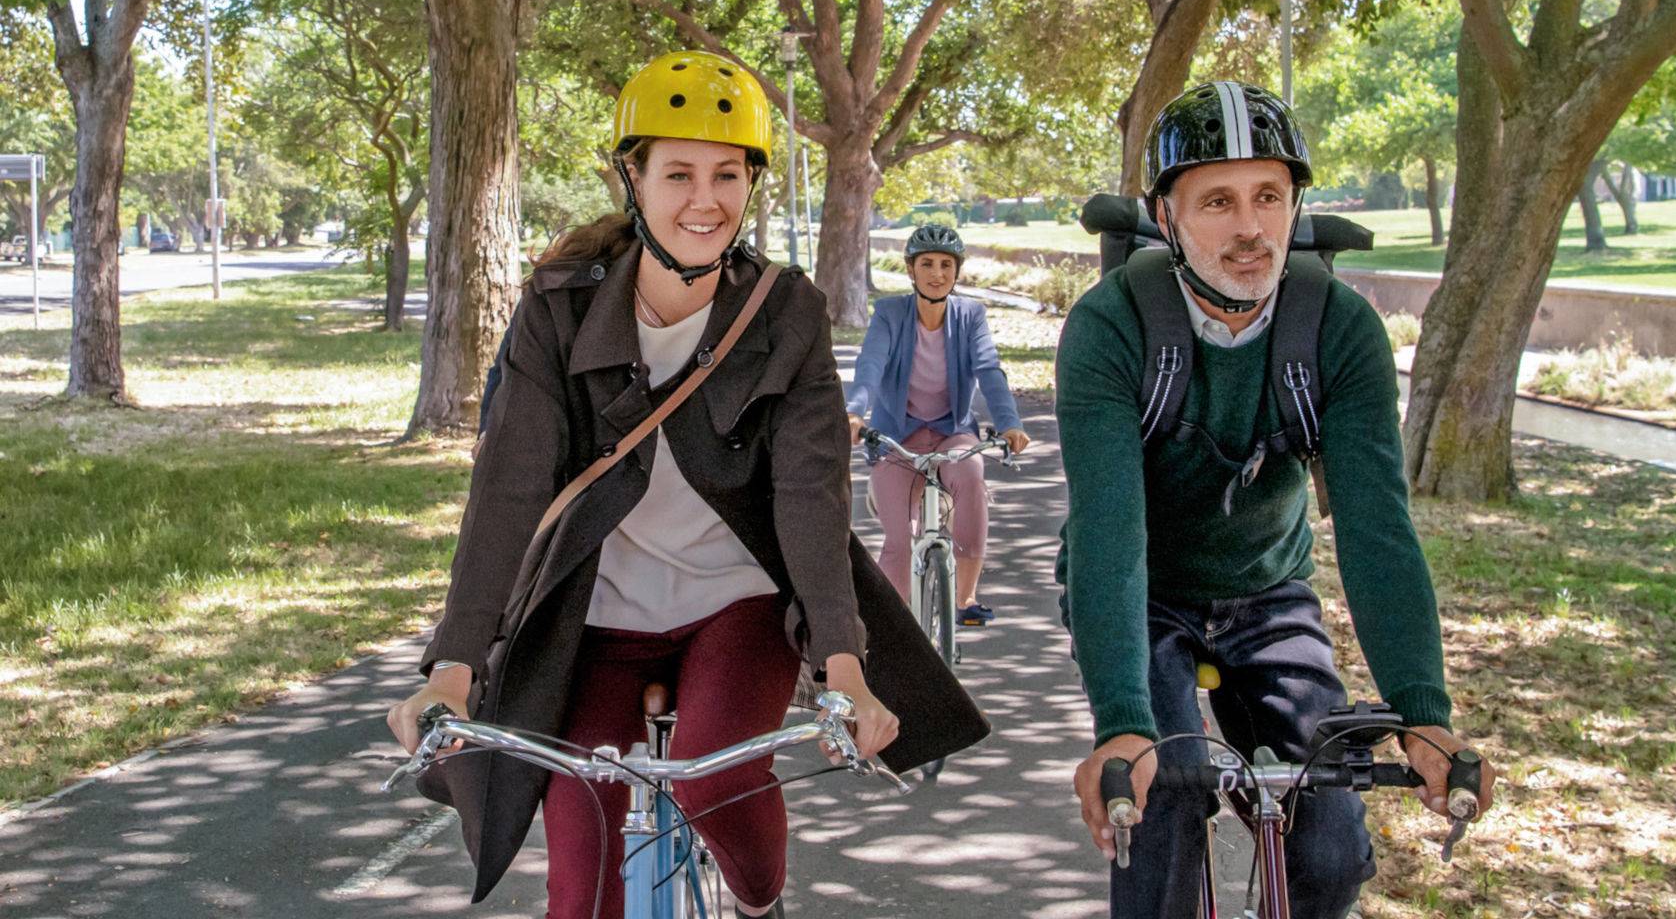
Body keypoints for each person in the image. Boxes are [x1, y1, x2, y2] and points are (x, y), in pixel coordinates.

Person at [384, 50, 981, 919]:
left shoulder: (786, 311)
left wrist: (843, 665)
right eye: (678, 174)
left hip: (736, 606)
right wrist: (453, 666)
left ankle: (759, 903)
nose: (705, 200)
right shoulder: (558, 307)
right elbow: (508, 488)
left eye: (727, 175)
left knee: (718, 784)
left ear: (751, 183)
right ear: (632, 177)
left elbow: (808, 495)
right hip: (595, 618)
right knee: (579, 883)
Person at [1055, 81, 1495, 919]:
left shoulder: (1340, 329)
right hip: (1144, 592)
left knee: (1331, 848)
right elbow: (1108, 530)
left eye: (1269, 196)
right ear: (1167, 216)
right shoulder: (1111, 326)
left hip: (1268, 592)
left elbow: (1377, 528)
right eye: (1218, 201)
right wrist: (1123, 723)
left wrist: (1422, 710)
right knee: (1161, 803)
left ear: (1296, 206)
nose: (1250, 228)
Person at [844, 224, 1031, 625]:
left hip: (952, 431)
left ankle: (965, 598)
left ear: (957, 271)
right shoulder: (890, 314)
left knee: (971, 479)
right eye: (926, 263)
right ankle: (896, 631)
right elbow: (870, 366)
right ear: (911, 269)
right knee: (899, 541)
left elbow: (989, 370)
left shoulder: (970, 316)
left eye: (946, 264)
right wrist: (855, 412)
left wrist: (1010, 423)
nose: (937, 273)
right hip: (898, 436)